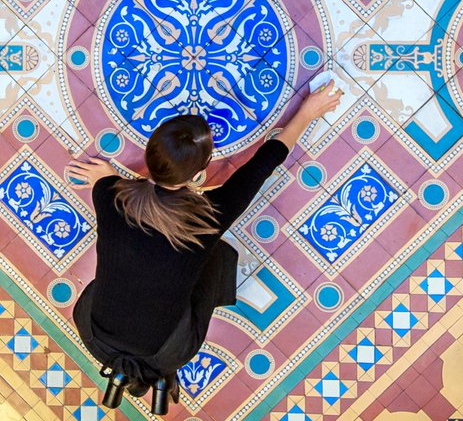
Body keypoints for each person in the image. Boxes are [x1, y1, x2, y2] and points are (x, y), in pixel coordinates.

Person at [65, 82, 344, 402]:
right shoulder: (208, 220)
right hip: (166, 351)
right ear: (198, 173)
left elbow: (109, 181)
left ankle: (143, 378)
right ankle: (158, 374)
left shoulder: (110, 196)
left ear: (150, 153)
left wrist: (106, 176)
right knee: (216, 256)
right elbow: (263, 164)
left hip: (96, 336)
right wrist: (306, 113)